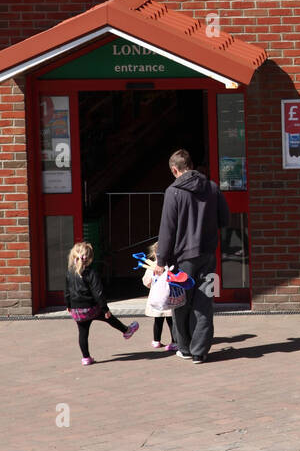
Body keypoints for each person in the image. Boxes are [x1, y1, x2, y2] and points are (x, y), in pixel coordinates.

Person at [155, 149, 228, 364]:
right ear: (192, 165)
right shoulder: (213, 188)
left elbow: (167, 230)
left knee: (180, 303)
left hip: (182, 259)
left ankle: (184, 347)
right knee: (204, 301)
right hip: (207, 256)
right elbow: (225, 219)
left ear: (175, 169)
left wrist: (161, 260)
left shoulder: (173, 192)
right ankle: (200, 351)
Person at [64, 241, 138, 365]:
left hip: (77, 310)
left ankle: (86, 358)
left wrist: (68, 305)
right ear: (90, 258)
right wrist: (105, 309)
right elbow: (98, 292)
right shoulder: (92, 273)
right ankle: (126, 331)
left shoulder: (69, 273)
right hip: (91, 308)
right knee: (108, 317)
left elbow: (67, 291)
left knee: (83, 333)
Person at [140, 243, 177, 351]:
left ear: (155, 254)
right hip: (168, 298)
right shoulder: (171, 265)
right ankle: (174, 342)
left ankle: (156, 341)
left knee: (158, 320)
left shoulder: (152, 266)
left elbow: (146, 282)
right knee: (171, 321)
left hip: (157, 298)